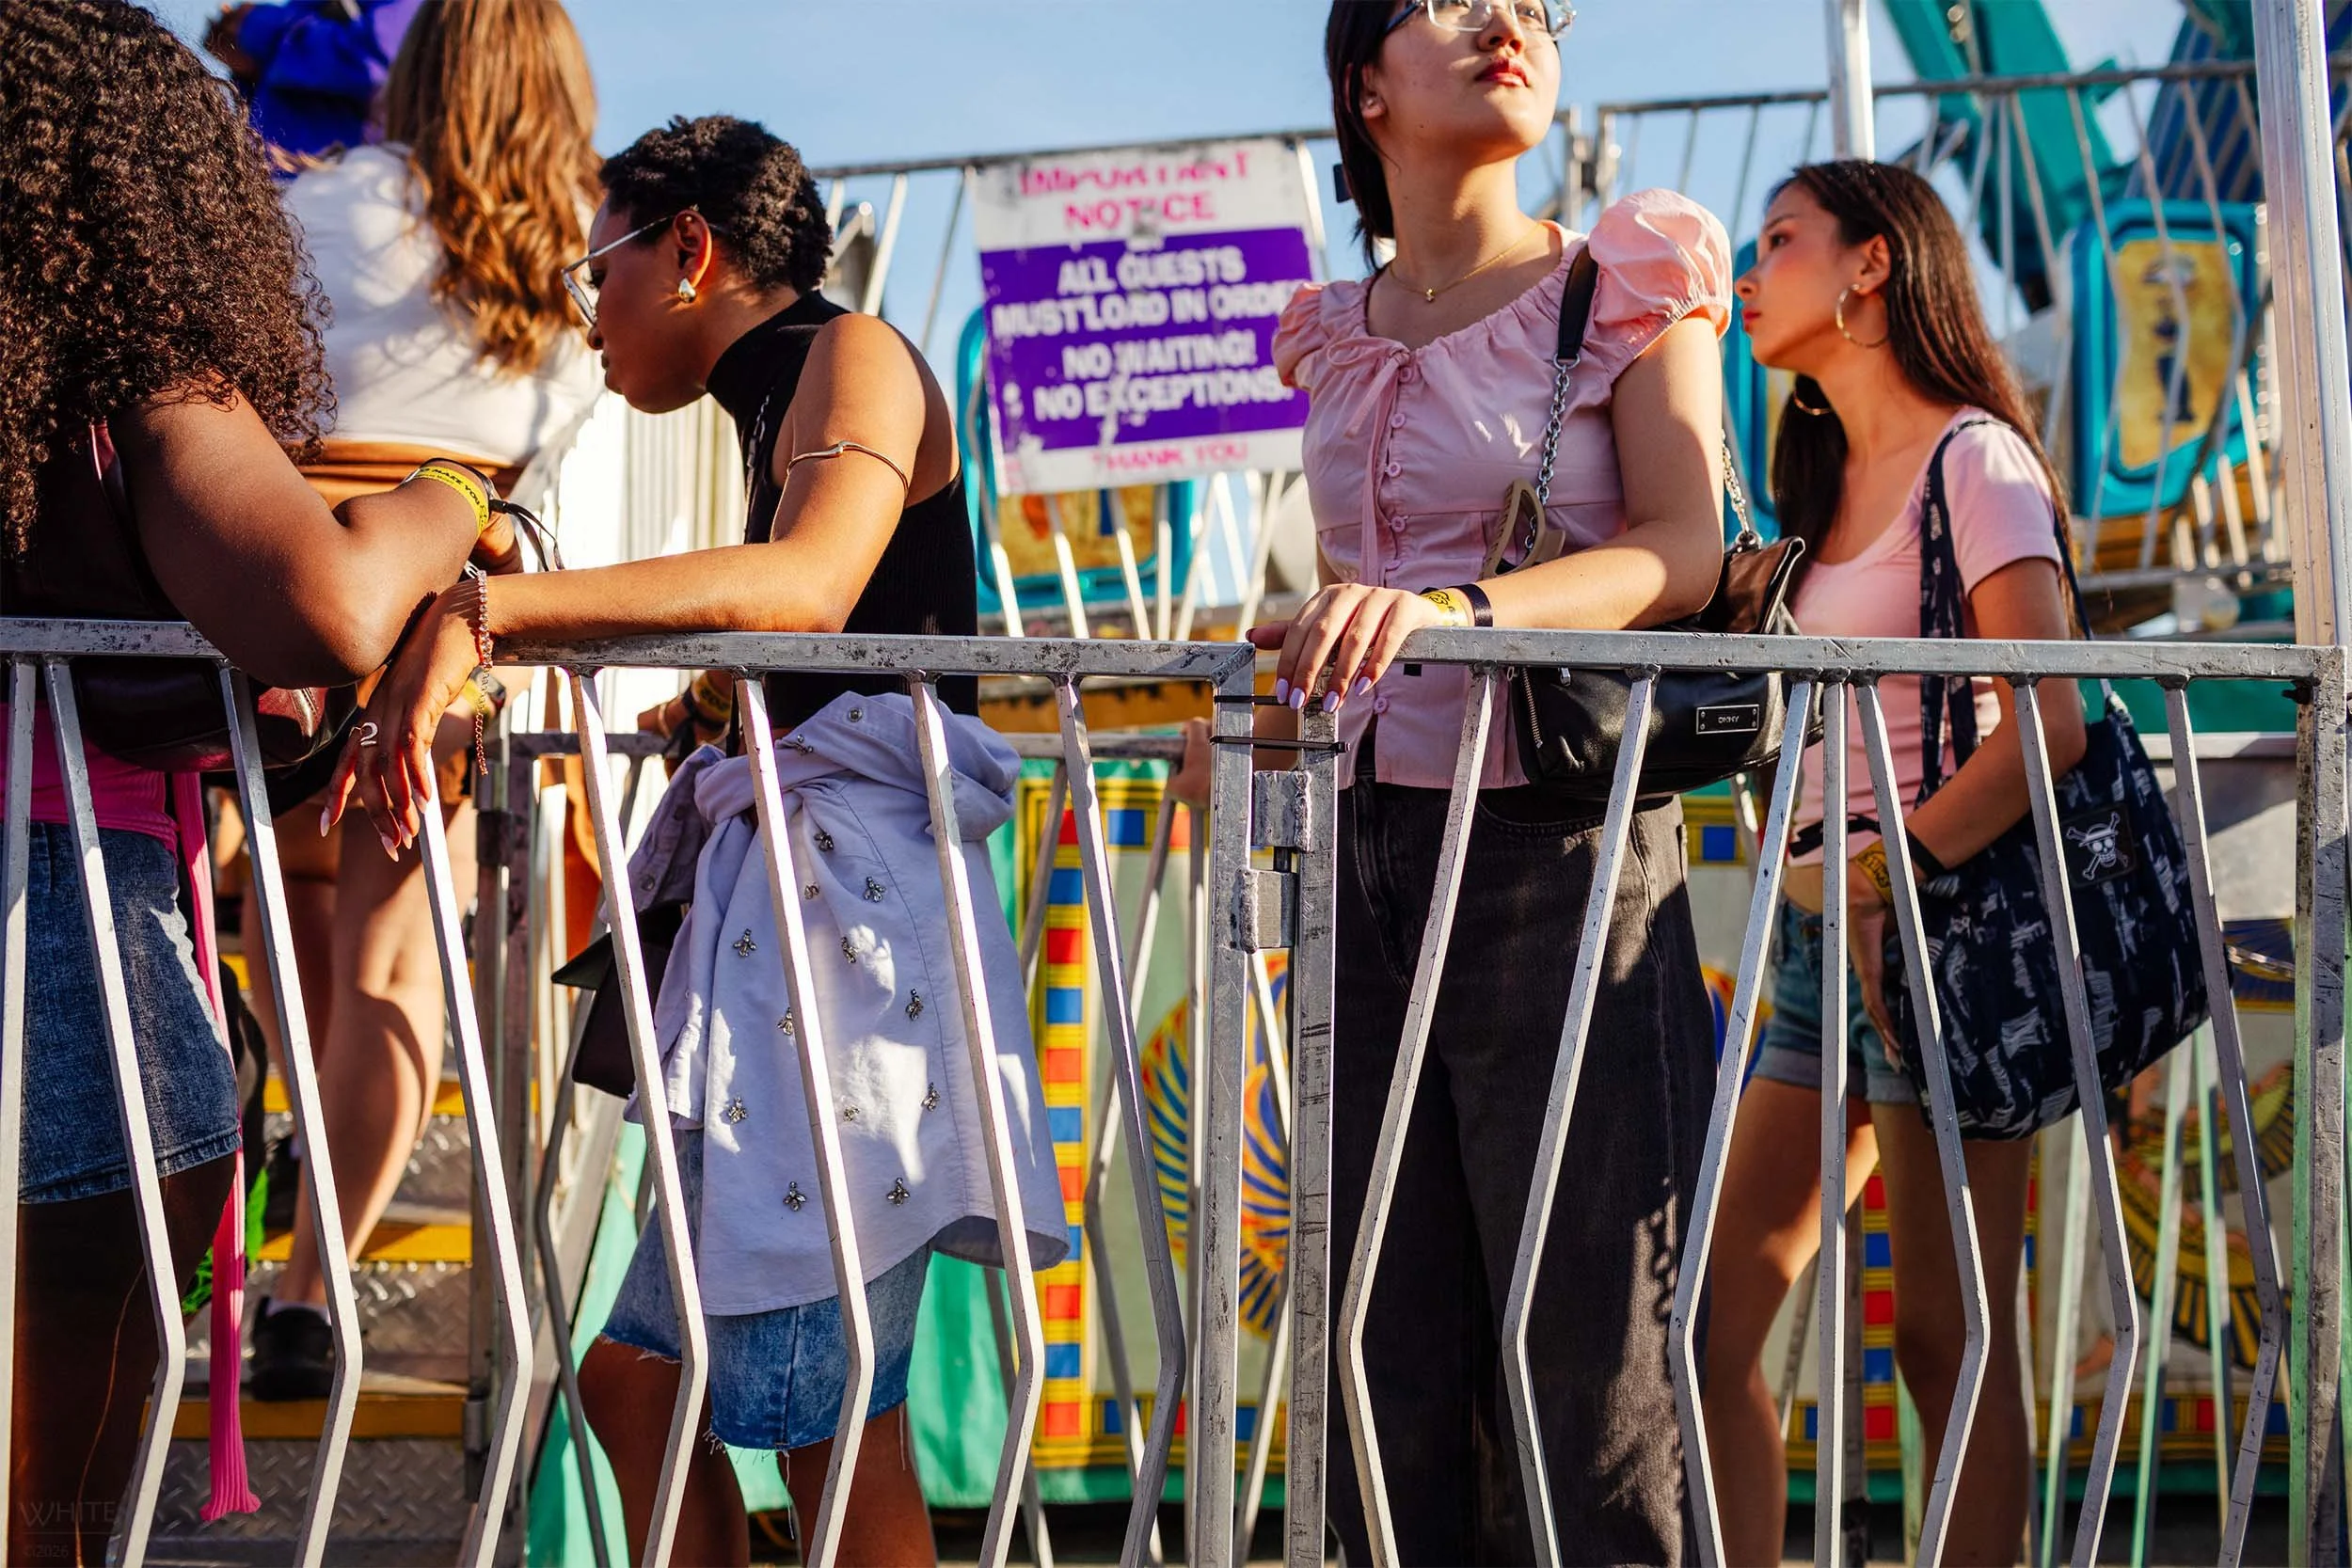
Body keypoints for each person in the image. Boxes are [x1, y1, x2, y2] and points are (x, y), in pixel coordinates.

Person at [324, 114, 1070, 1568]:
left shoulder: (850, 354)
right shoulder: (774, 396)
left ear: (688, 249)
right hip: (805, 928)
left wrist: (493, 612)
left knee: (831, 1422)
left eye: (592, 269)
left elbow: (807, 584)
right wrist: (731, 706)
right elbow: (820, 623)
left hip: (845, 940)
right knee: (640, 1382)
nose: (578, 314)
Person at [0, 4, 516, 1560]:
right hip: (64, 911)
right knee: (65, 1467)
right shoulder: (137, 379)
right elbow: (333, 604)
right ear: (153, 179)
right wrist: (449, 495)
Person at [1225, 1, 1731, 1559]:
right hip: (1363, 837)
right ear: (1366, 82)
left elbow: (1685, 548)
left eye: (1536, 2)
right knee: (1383, 1341)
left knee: (1590, 1364)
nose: (1510, 19)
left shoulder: (1627, 266)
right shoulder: (1330, 319)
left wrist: (1459, 617)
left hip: (1556, 846)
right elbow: (1351, 585)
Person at [1700, 159, 2088, 1567]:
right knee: (1707, 1324)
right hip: (1818, 938)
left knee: (1948, 1337)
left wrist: (1884, 873)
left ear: (1872, 265)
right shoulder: (1817, 479)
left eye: (1780, 241)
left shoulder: (1971, 457)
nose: (1753, 271)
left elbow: (2054, 714)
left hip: (1936, 928)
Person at [245, 0, 603, 1402]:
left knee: (288, 916)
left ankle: (281, 1114)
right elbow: (545, 451)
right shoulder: (568, 259)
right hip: (424, 652)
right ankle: (309, 1284)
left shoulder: (311, 207)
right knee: (390, 972)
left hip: (268, 635)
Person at [203, 0, 427, 164]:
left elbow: (374, 61)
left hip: (343, 185)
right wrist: (245, 66)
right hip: (272, 186)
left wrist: (254, 28)